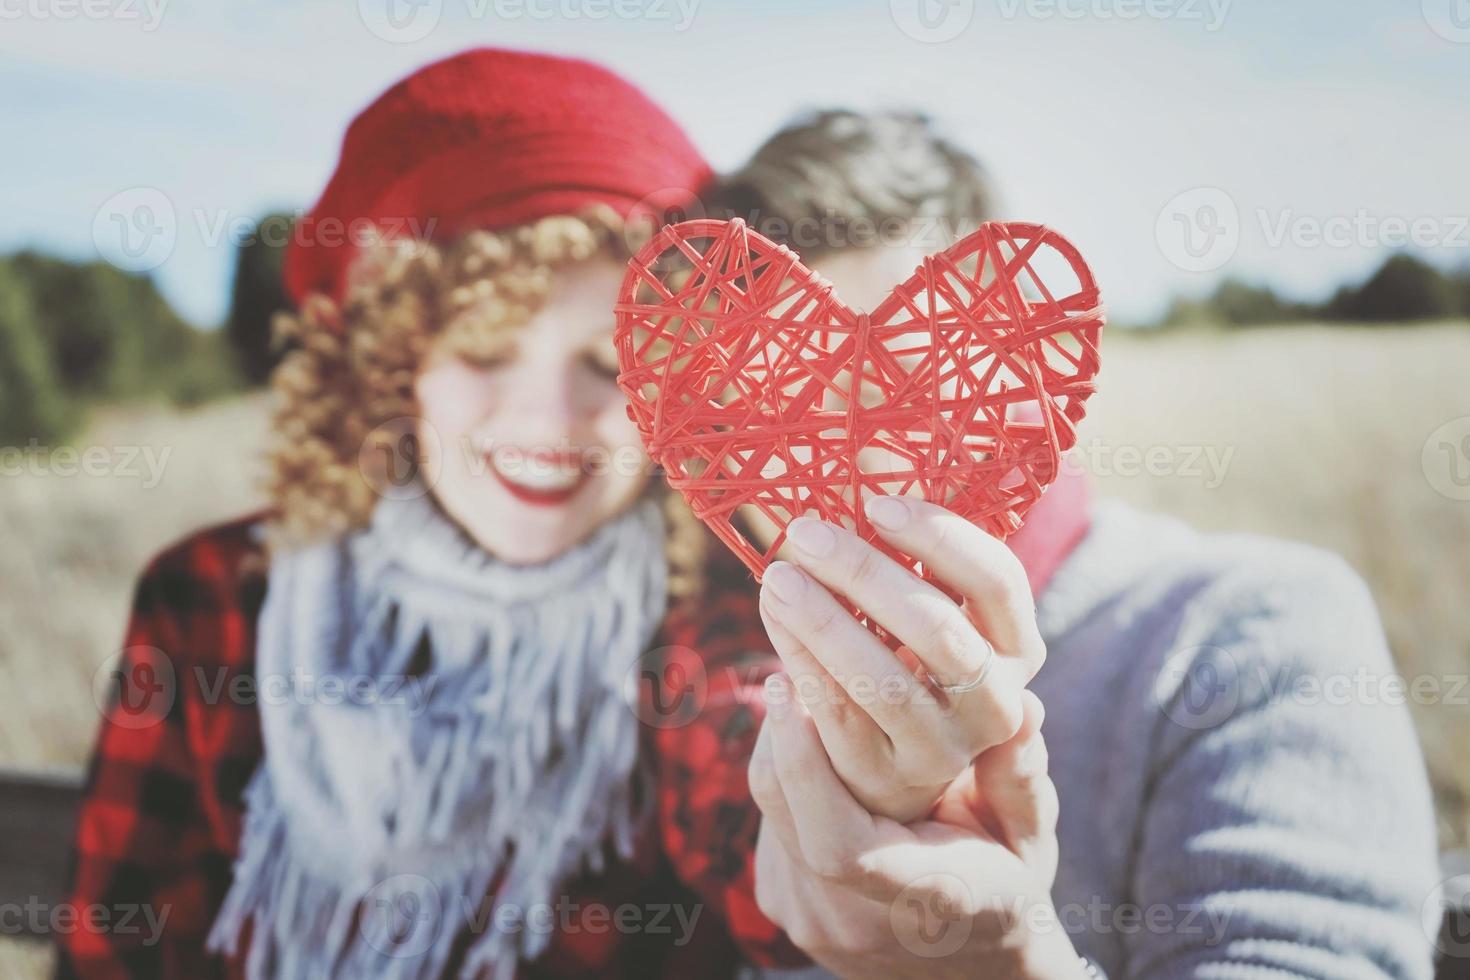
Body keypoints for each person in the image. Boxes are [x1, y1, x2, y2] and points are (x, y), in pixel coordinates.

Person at [714, 111, 1443, 978]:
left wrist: (1004, 960)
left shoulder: (1245, 630)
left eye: (908, 386)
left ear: (1019, 371)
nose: (847, 452)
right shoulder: (698, 662)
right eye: (779, 405)